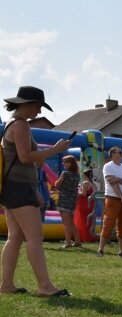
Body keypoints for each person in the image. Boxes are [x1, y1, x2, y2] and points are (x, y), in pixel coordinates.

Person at [0, 86, 71, 296]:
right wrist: (55, 150)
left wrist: (36, 190)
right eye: (38, 107)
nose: (39, 112)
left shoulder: (12, 124)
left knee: (15, 237)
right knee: (34, 237)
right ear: (26, 104)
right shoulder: (21, 125)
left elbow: (21, 160)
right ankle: (45, 286)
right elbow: (25, 157)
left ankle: (6, 285)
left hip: (14, 187)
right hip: (19, 188)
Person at [97, 146, 122, 258]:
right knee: (108, 223)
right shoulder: (108, 166)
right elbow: (112, 183)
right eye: (119, 152)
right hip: (112, 199)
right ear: (112, 154)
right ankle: (100, 250)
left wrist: (117, 178)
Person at [54, 155, 81, 248]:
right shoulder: (77, 175)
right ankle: (77, 241)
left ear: (70, 163)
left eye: (65, 162)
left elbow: (57, 185)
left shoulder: (64, 173)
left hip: (64, 199)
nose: (63, 164)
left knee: (66, 223)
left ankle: (68, 243)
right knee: (71, 222)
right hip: (72, 200)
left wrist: (56, 183)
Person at [74, 168, 97, 243]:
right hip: (90, 202)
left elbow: (83, 194)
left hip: (84, 202)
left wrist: (76, 192)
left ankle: (83, 236)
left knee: (83, 219)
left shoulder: (85, 183)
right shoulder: (93, 184)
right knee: (88, 220)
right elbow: (93, 193)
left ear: (84, 175)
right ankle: (89, 236)